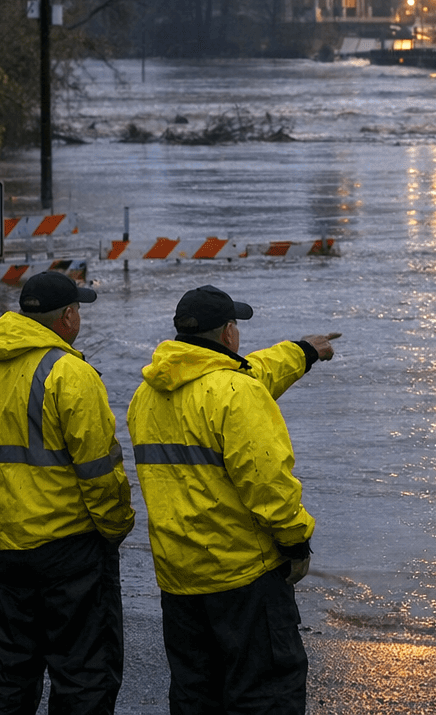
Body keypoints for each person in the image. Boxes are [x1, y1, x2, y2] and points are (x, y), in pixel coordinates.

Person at [127, 285, 339, 715]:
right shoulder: (237, 394)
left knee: (196, 693)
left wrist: (302, 352)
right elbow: (268, 486)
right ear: (228, 333)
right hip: (243, 577)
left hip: (179, 577)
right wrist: (296, 542)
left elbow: (245, 373)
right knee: (265, 693)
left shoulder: (145, 395)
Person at [0, 270, 134, 715]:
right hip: (66, 549)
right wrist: (114, 529)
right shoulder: (70, 372)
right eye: (78, 311)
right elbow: (100, 471)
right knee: (83, 670)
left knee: (7, 669)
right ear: (68, 316)